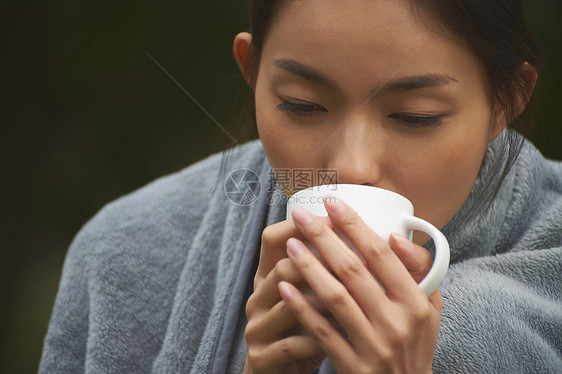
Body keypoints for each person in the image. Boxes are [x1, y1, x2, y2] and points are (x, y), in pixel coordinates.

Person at [39, 0, 561, 373]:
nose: (352, 167)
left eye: (414, 116)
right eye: (302, 106)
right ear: (252, 72)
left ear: (506, 101)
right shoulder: (125, 252)